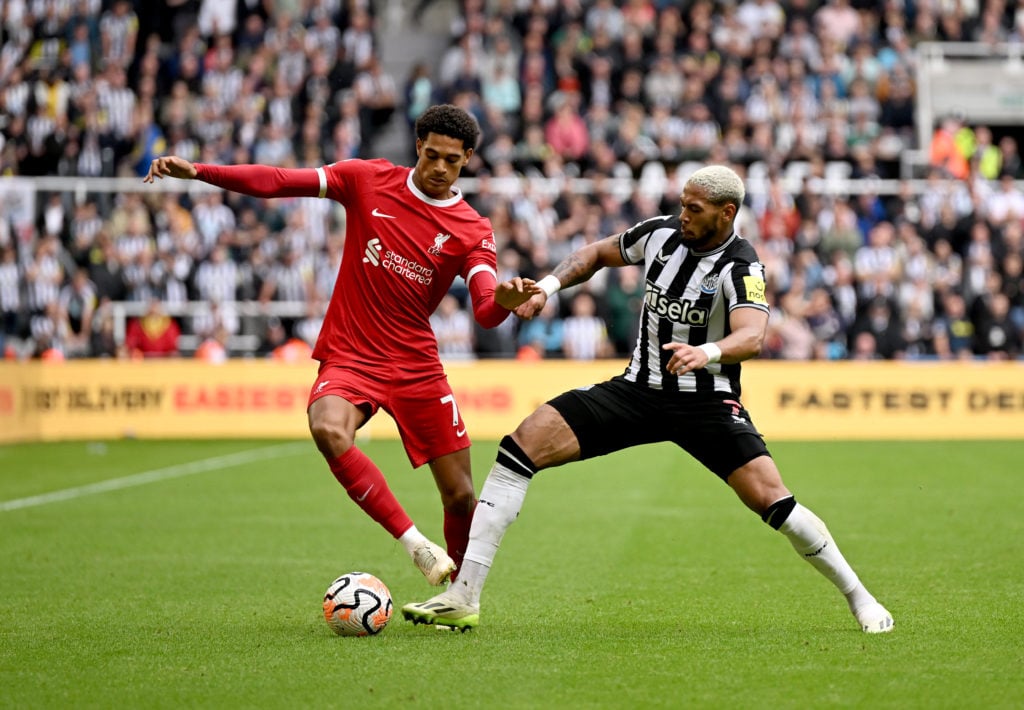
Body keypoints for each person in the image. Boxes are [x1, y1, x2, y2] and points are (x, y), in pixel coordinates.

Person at [402, 165, 894, 633]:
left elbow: (754, 335)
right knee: (520, 445)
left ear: (726, 213)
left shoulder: (741, 267)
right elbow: (595, 254)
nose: (684, 215)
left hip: (705, 401)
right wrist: (548, 288)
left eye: (696, 209)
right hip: (637, 390)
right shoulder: (661, 233)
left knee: (773, 501)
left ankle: (859, 597)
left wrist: (706, 351)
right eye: (682, 204)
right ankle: (464, 596)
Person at [144, 104, 537, 587]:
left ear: (468, 158)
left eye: (451, 161)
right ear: (417, 146)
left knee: (459, 496)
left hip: (416, 364)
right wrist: (201, 172)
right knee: (328, 428)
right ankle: (415, 544)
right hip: (352, 354)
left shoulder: (471, 228)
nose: (438, 167)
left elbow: (484, 310)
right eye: (431, 154)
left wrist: (505, 299)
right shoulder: (367, 179)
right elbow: (279, 180)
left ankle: (461, 598)